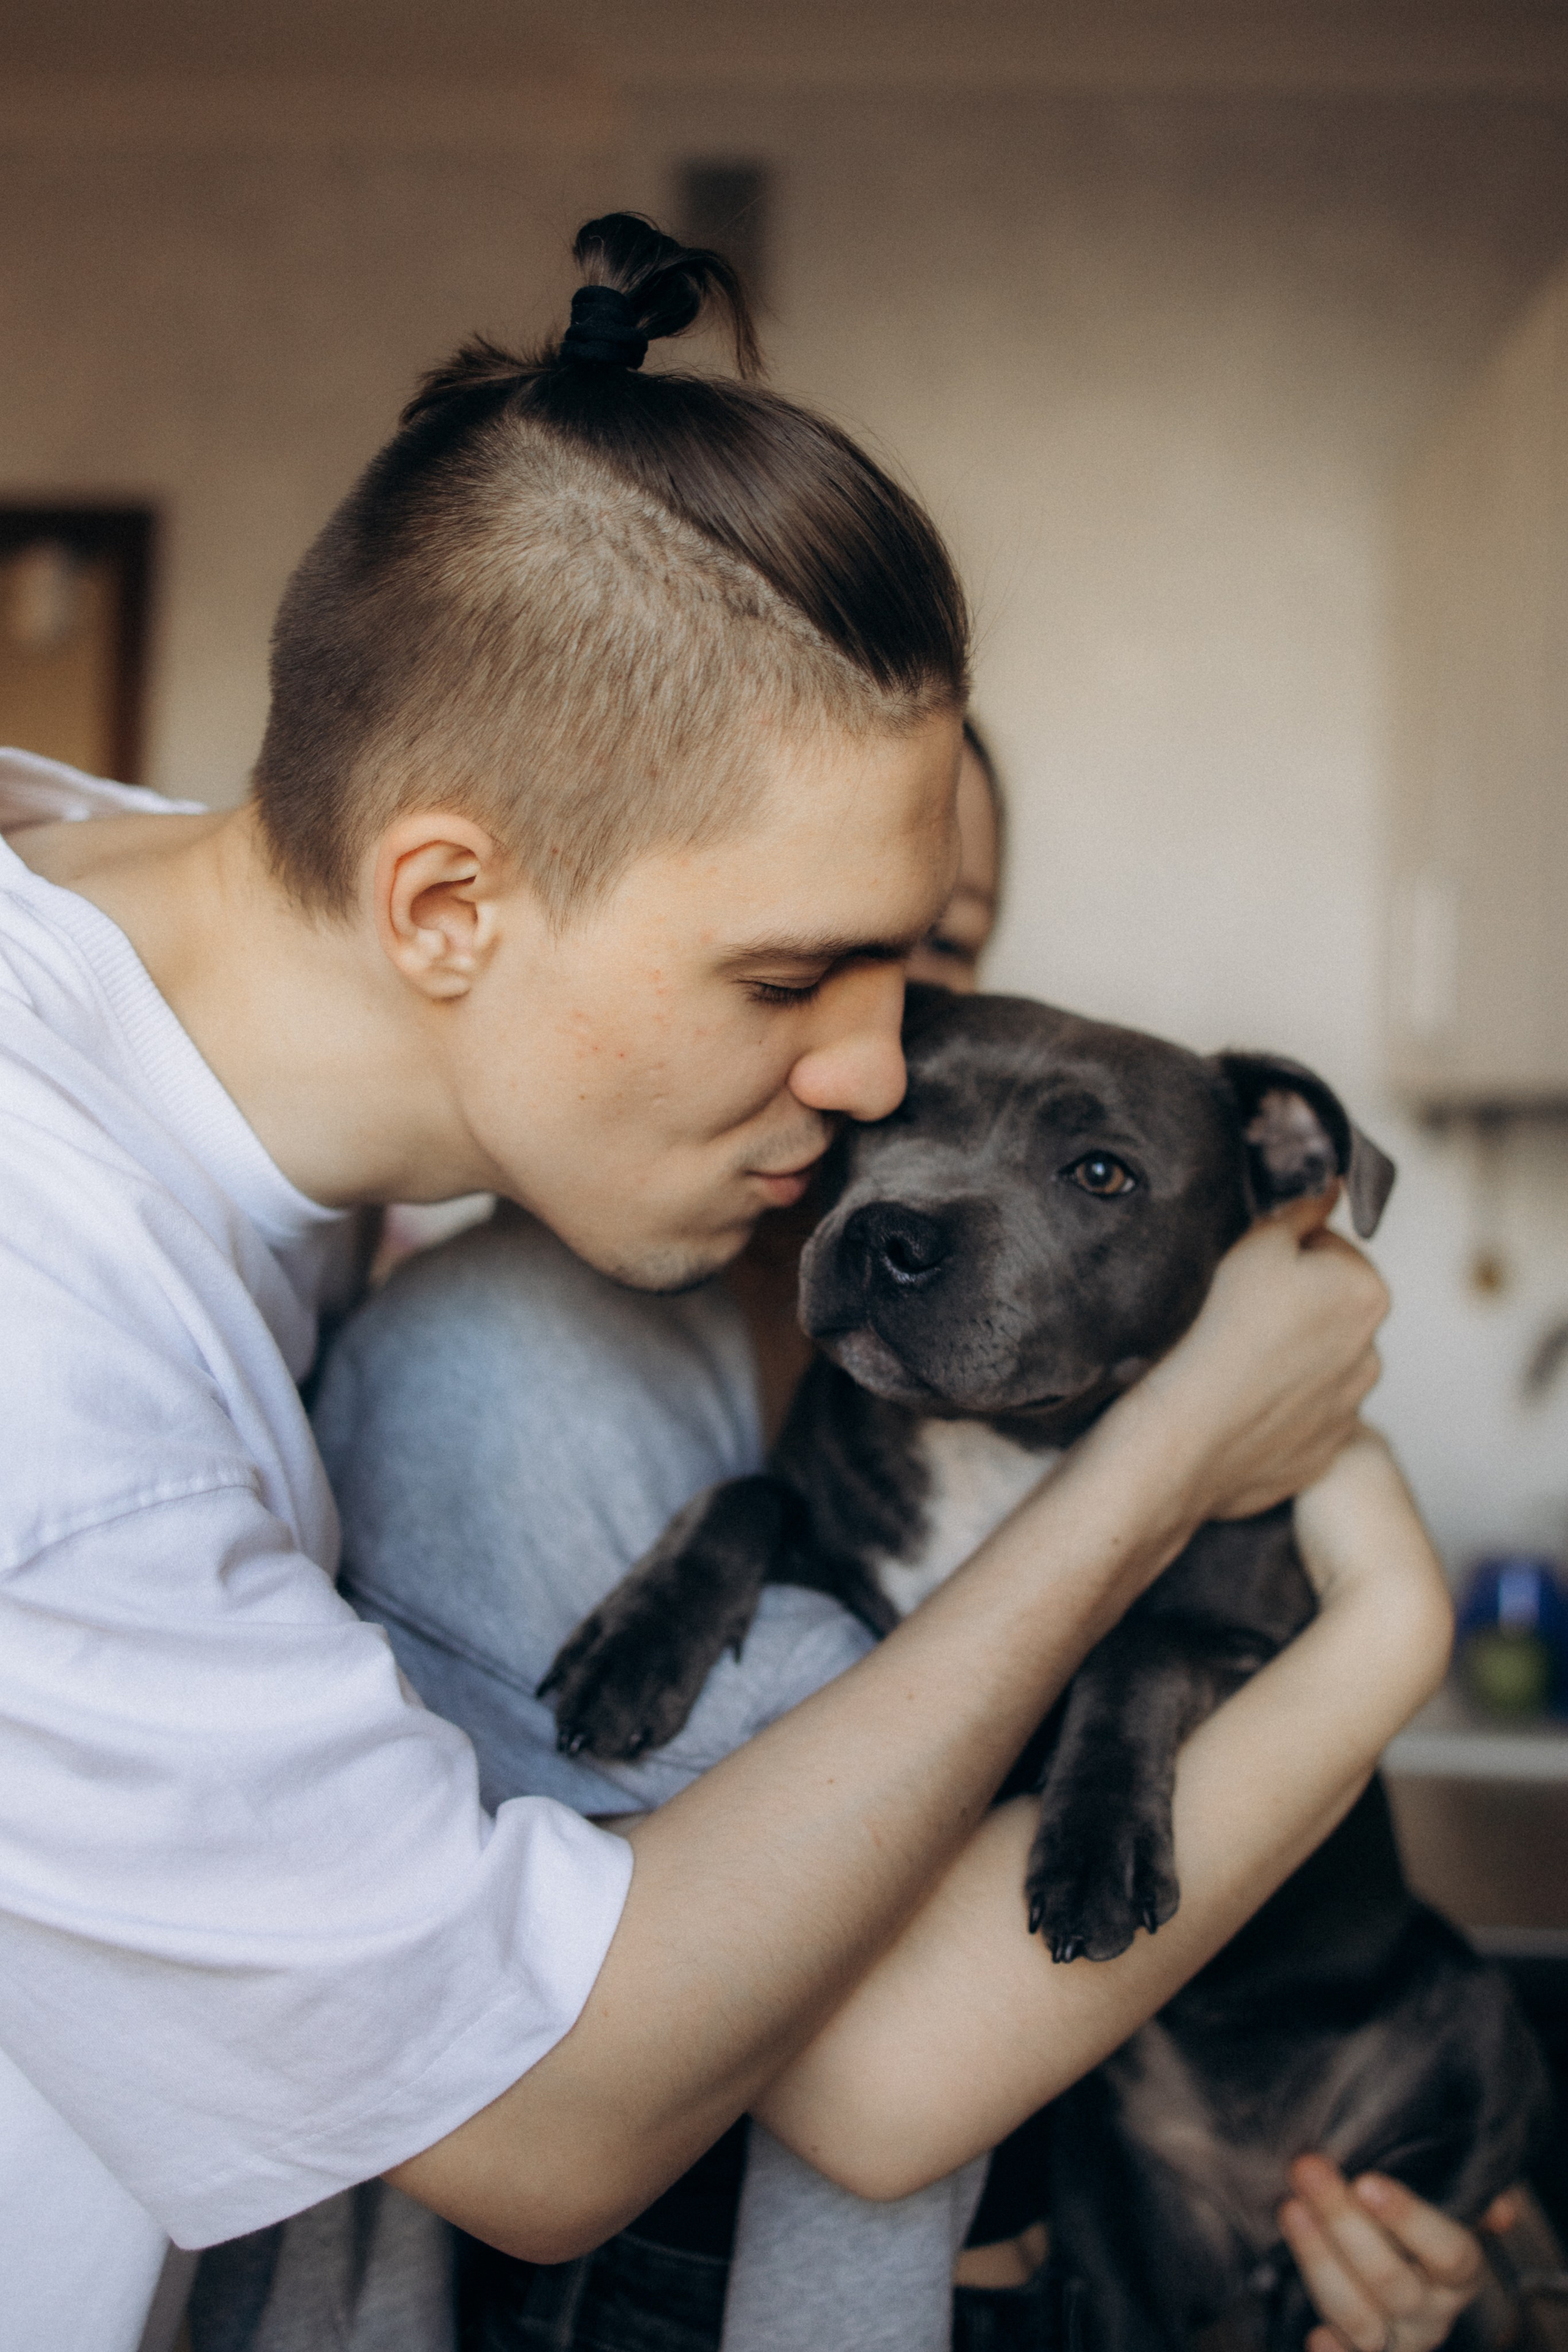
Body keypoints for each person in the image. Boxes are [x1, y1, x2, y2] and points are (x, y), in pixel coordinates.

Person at [0, 212, 1458, 2352]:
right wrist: (1229, 1503)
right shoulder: (54, 1384)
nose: (881, 1076)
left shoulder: (167, 956)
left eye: (919, 968)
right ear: (445, 903)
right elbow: (553, 2120)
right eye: (796, 975)